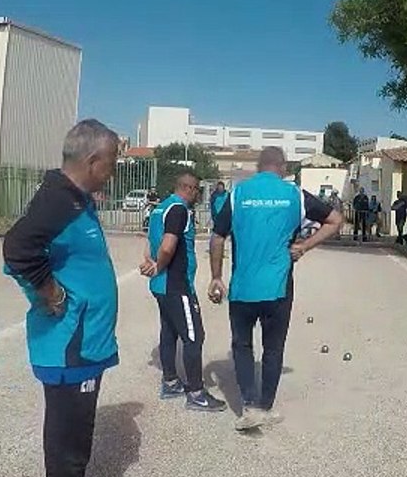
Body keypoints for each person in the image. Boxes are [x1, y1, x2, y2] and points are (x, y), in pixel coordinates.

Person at [2, 119, 123, 477]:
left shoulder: (74, 197)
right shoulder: (59, 200)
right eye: (113, 161)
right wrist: (49, 290)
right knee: (67, 438)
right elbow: (18, 248)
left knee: (76, 433)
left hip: (85, 342)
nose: (115, 169)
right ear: (93, 161)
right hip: (72, 343)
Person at [207, 147, 343, 431]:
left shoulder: (237, 194)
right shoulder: (294, 194)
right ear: (281, 167)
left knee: (242, 346)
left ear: (259, 167)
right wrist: (304, 246)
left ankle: (248, 405)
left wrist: (216, 276)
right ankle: (265, 407)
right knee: (273, 348)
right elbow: (335, 220)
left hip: (242, 287)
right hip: (278, 288)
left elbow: (218, 237)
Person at [139, 172, 227, 412]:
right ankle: (196, 393)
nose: (198, 195)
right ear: (189, 188)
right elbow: (168, 245)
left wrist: (150, 263)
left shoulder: (160, 209)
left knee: (169, 332)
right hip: (177, 285)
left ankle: (170, 382)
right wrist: (159, 265)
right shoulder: (178, 210)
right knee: (193, 336)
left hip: (161, 286)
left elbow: (150, 243)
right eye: (197, 190)